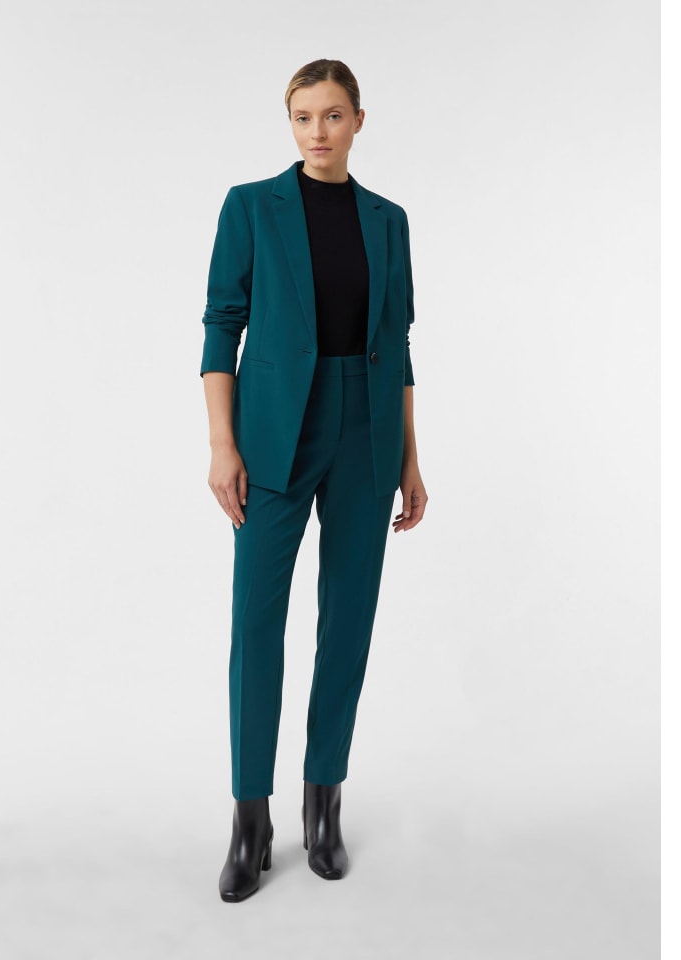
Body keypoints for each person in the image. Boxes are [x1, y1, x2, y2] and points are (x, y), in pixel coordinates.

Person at [200, 59, 428, 902]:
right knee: (256, 625)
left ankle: (322, 805)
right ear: (289, 123)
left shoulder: (388, 220)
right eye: (303, 117)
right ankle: (249, 819)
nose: (318, 131)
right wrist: (222, 444)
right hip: (271, 434)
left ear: (359, 120)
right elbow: (222, 325)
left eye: (333, 115)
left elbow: (399, 345)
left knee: (348, 622)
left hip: (366, 429)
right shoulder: (250, 206)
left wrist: (410, 456)